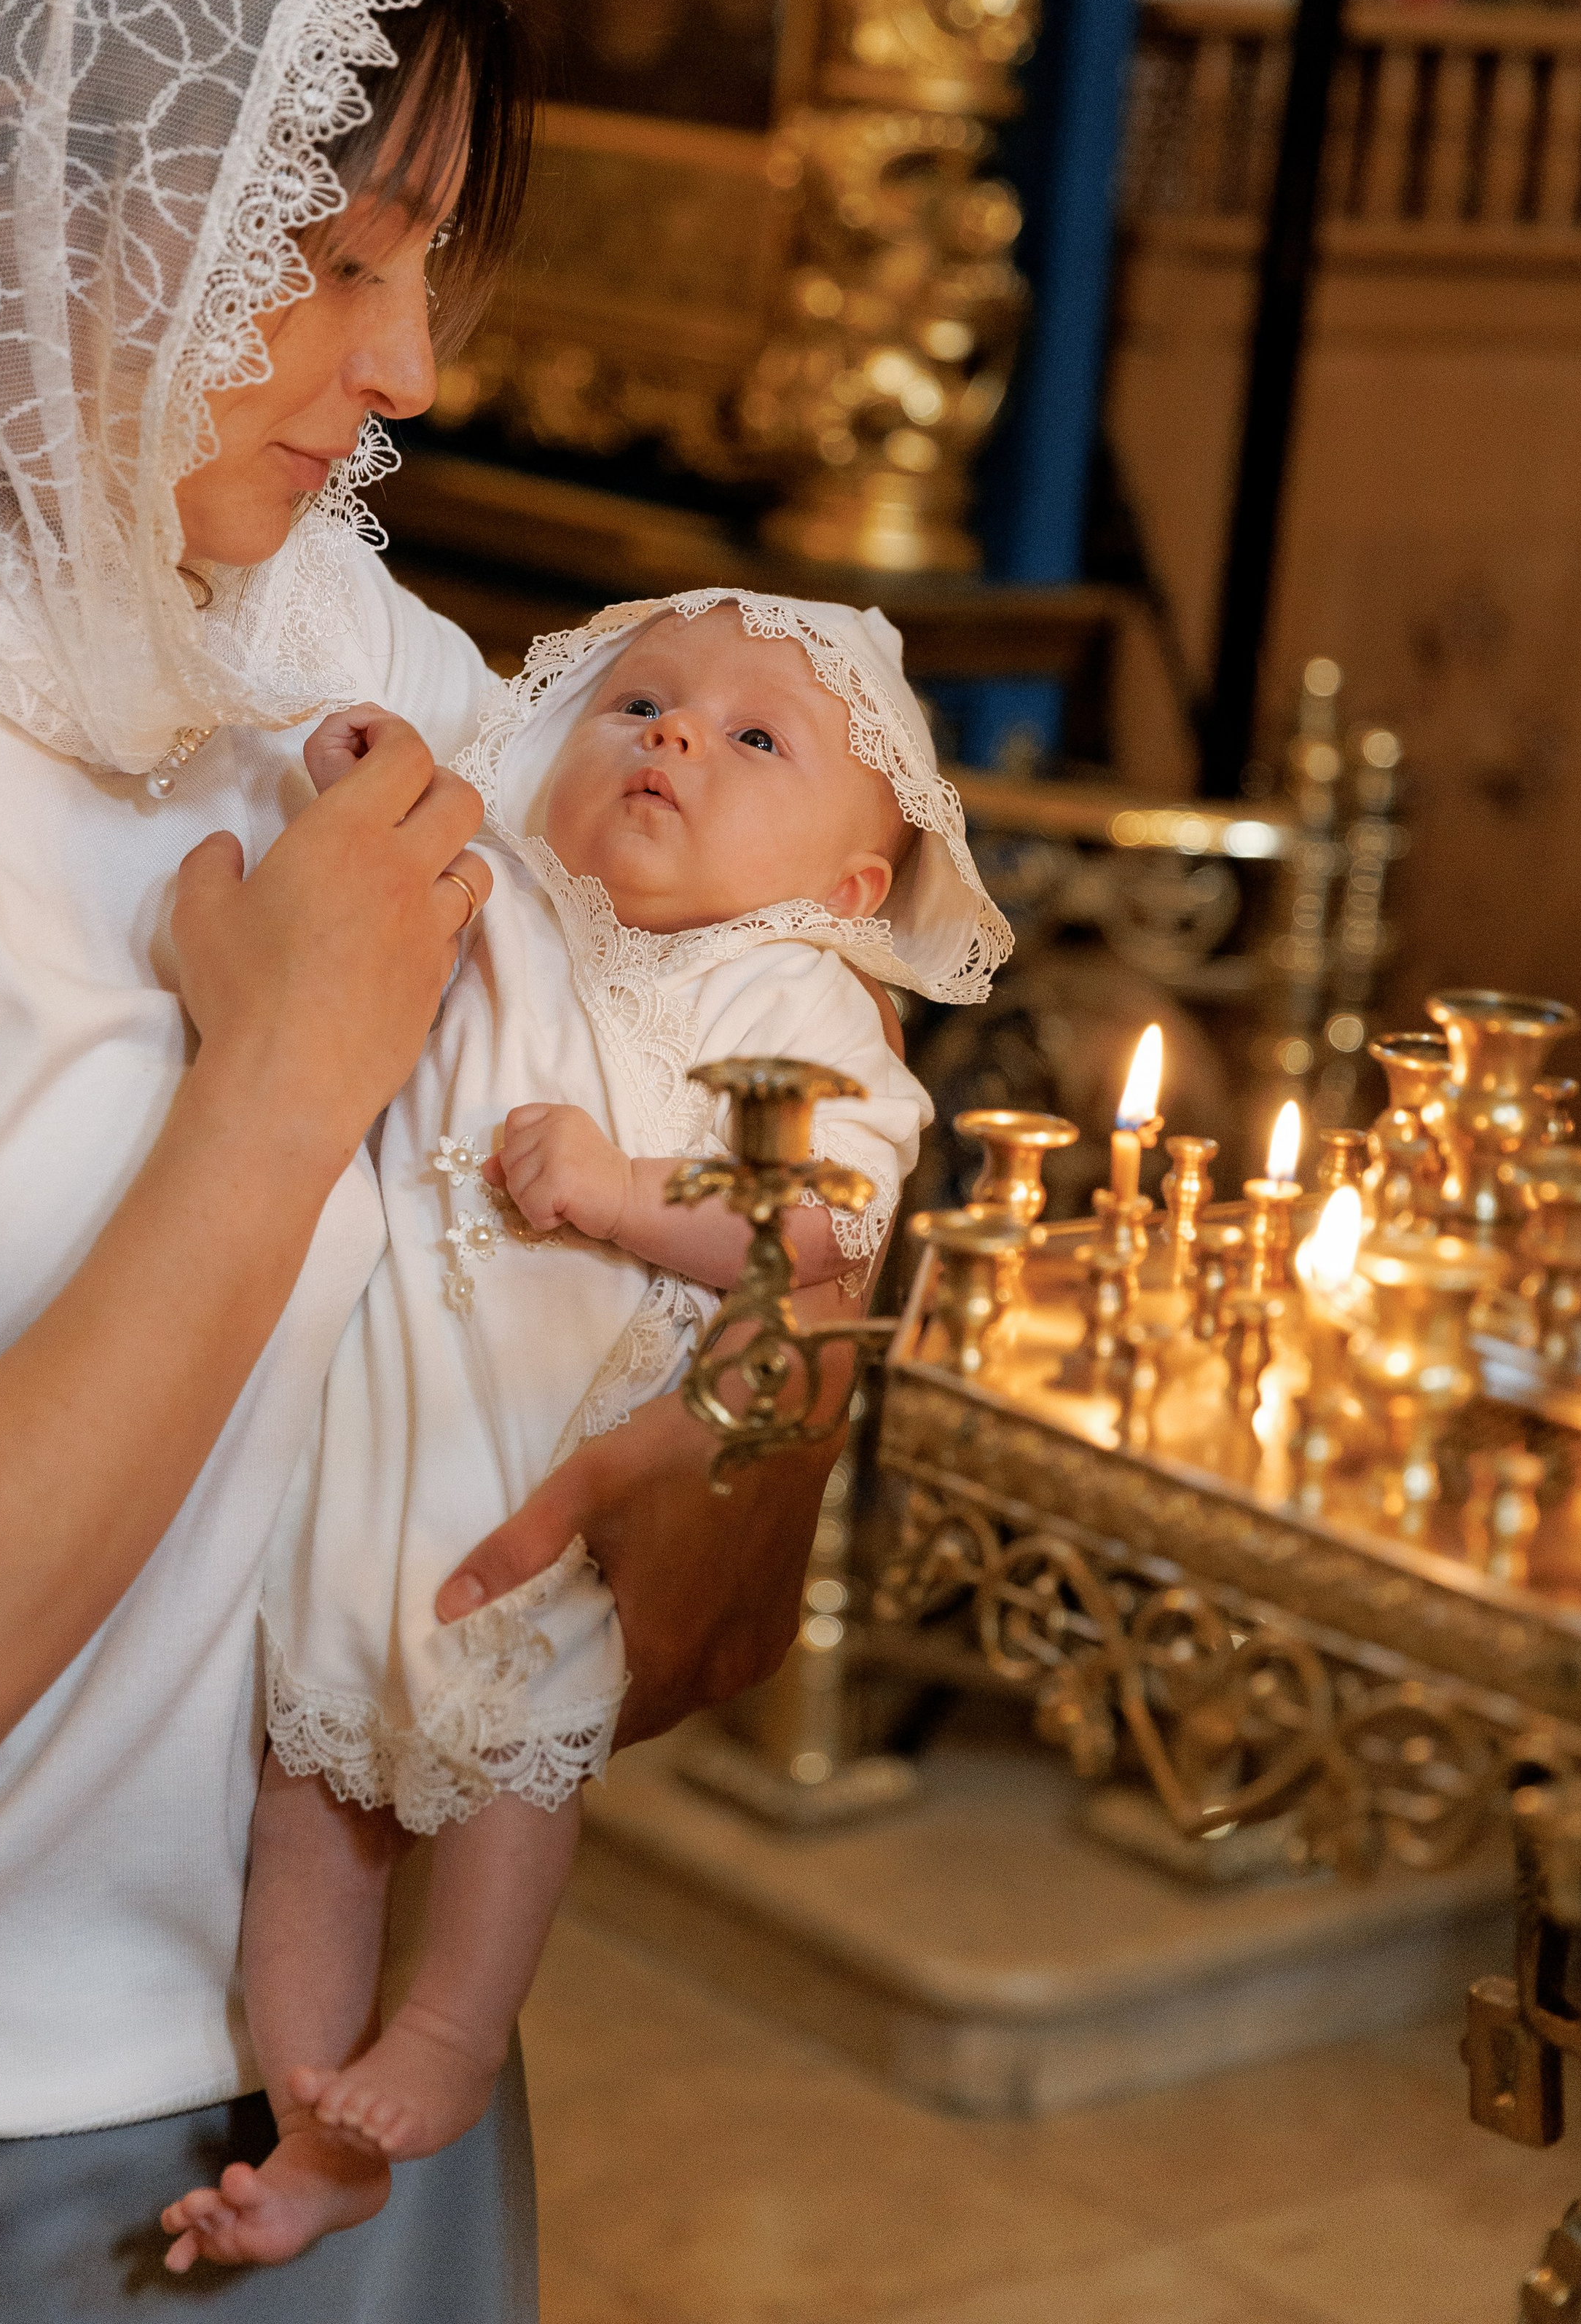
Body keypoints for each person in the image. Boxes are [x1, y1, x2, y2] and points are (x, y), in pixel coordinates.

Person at [0, 0, 855, 2321]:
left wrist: (788, 1346)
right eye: (329, 260)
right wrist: (284, 1083)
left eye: (425, 267)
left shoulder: (300, 630)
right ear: (34, 207)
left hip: (359, 2054)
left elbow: (692, 1590)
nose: (410, 368)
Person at [160, 590, 1008, 2271]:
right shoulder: (519, 906)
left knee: (507, 1777)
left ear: (851, 887)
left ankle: (453, 2036)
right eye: (638, 704)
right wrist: (364, 782)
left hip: (553, 1465)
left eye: (753, 736)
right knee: (308, 1791)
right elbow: (390, 892)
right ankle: (310, 2109)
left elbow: (826, 1219)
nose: (672, 734)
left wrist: (626, 1197)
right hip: (371, 1446)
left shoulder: (790, 998)